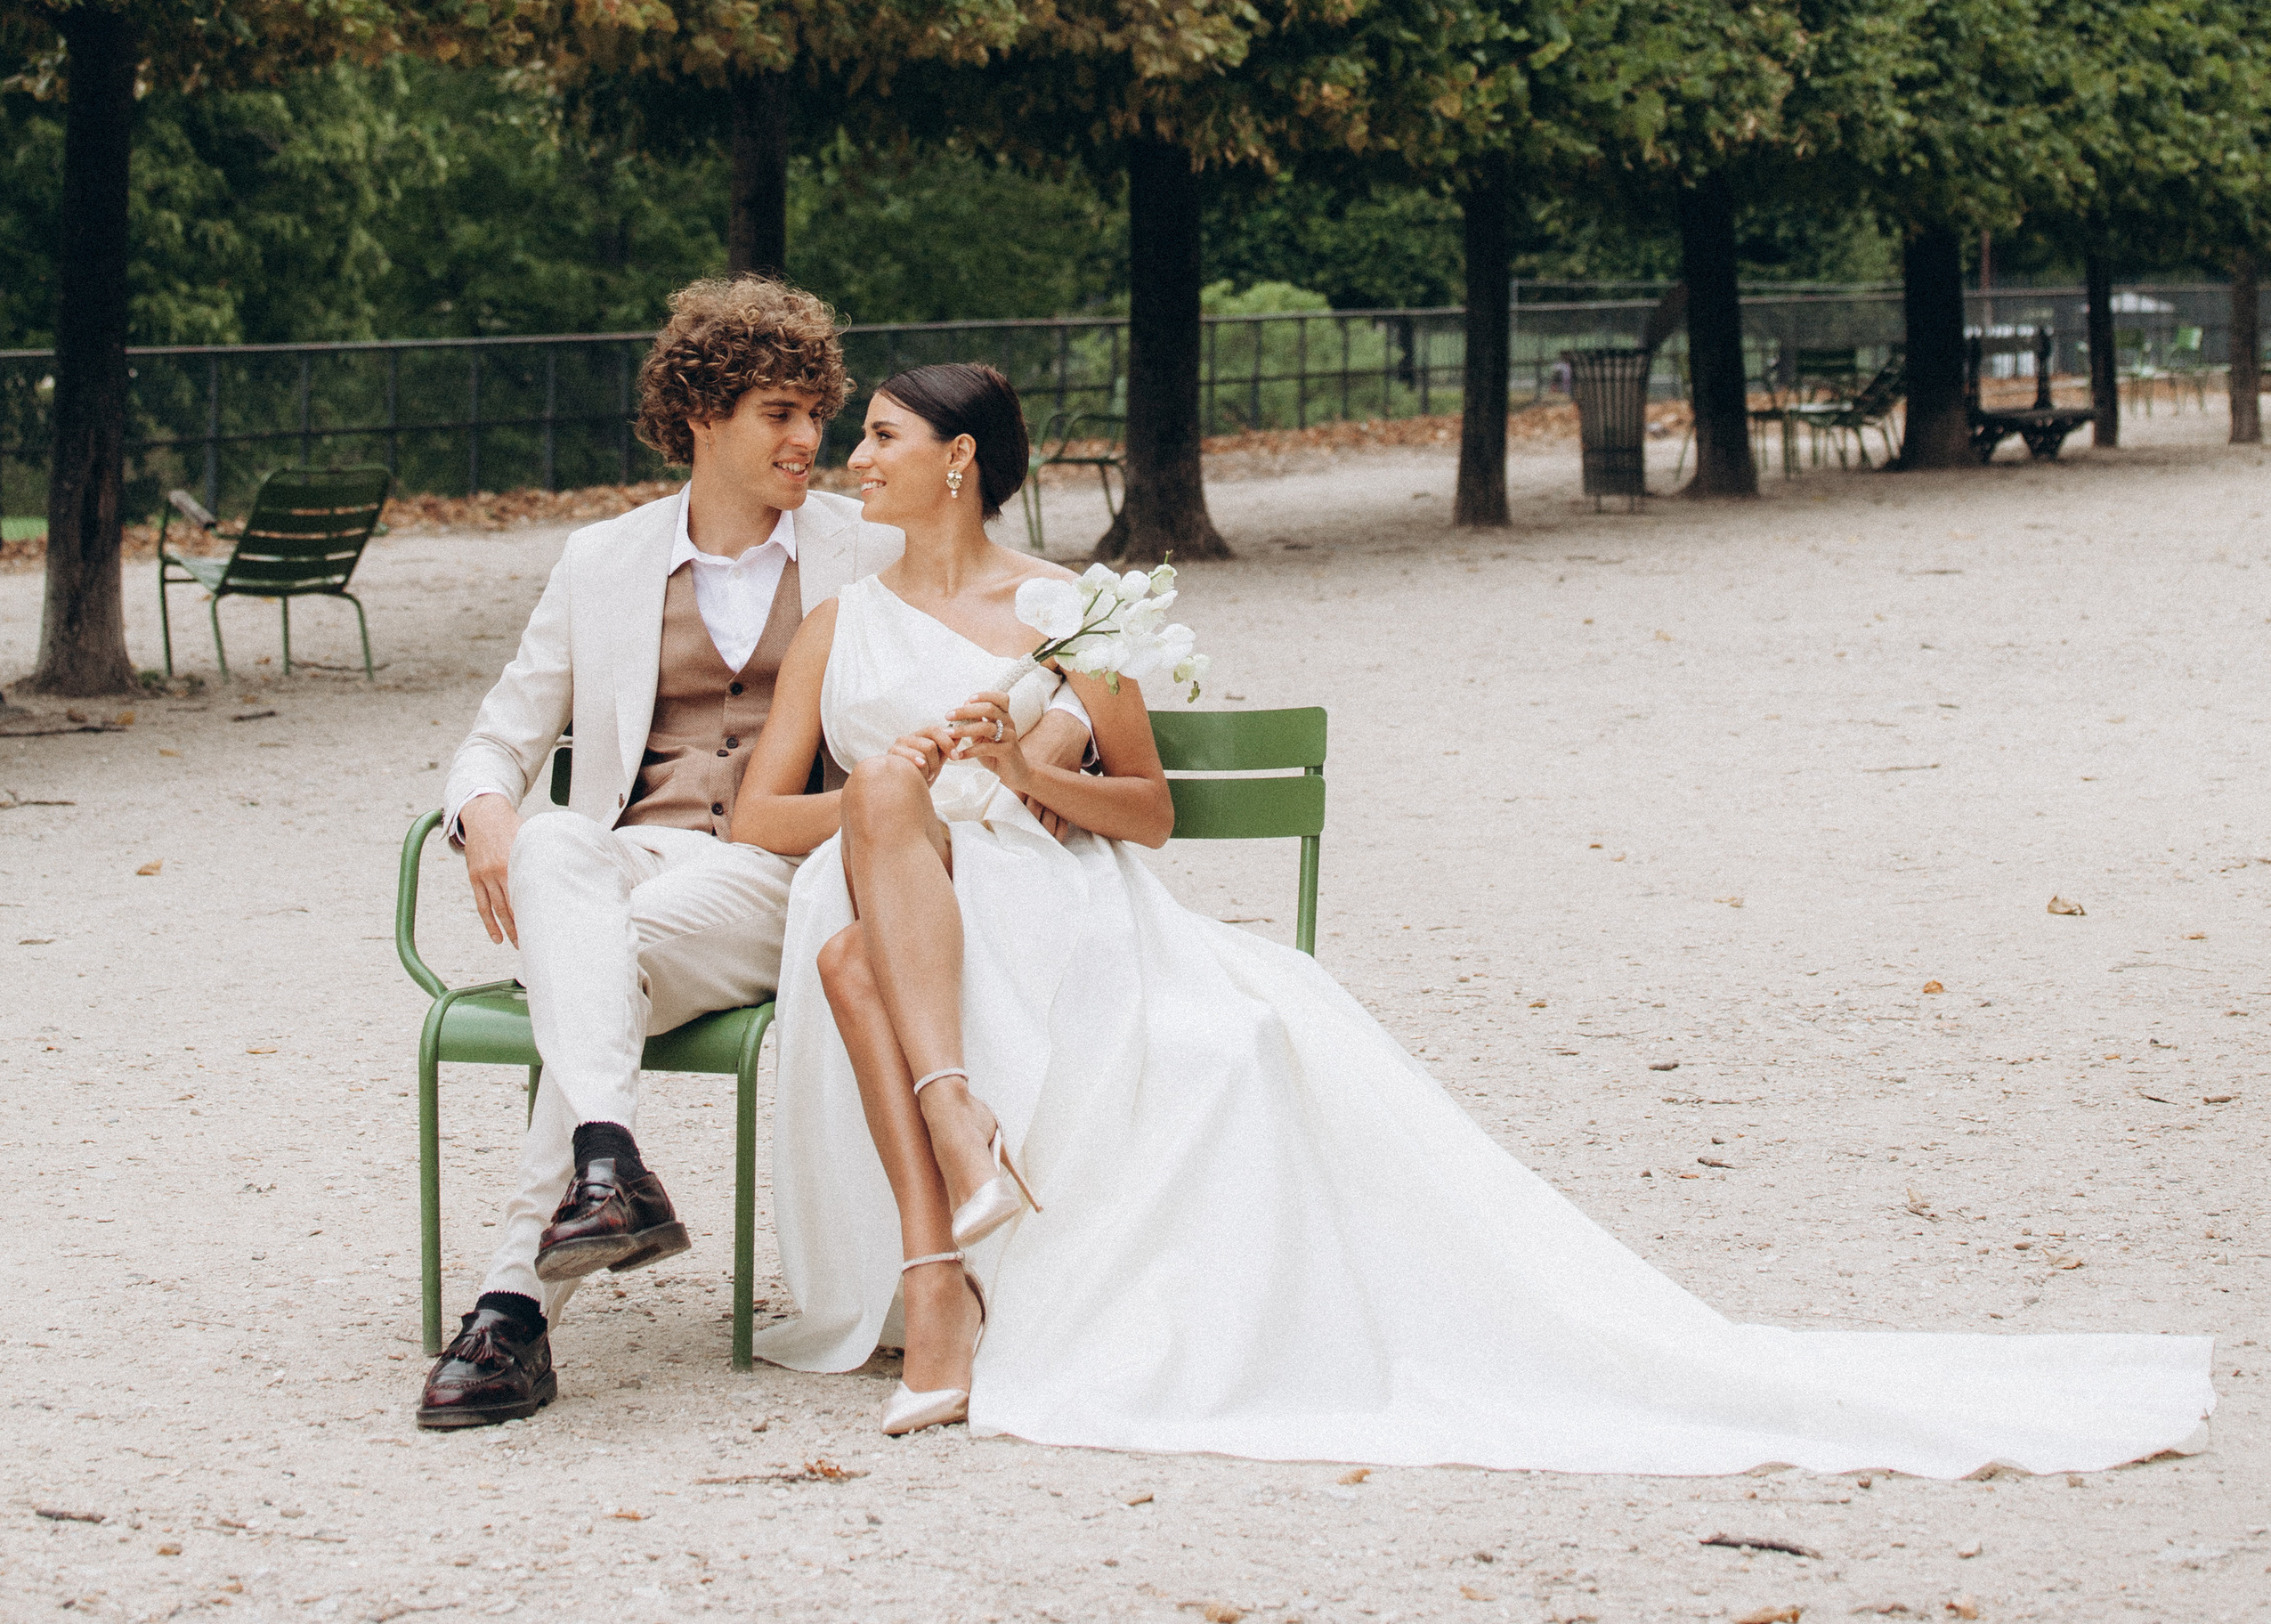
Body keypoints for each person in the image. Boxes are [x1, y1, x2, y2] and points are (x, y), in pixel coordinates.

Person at [726, 361, 2214, 1476]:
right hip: (891, 880)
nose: (854, 460)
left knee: (873, 964)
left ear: (959, 461)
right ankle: (953, 1188)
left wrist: (1013, 773)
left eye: (881, 438)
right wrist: (899, 792)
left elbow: (1150, 816)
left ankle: (944, 1265)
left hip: (1043, 901)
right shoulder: (841, 626)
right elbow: (758, 822)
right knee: (864, 880)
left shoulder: (1076, 610)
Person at [416, 275, 894, 1433]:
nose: (809, 439)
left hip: (785, 877)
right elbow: (499, 736)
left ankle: (512, 1309)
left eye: (815, 413)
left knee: (592, 955)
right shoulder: (604, 560)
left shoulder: (868, 548)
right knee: (557, 843)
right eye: (779, 413)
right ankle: (603, 1170)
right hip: (635, 866)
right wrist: (484, 812)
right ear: (701, 414)